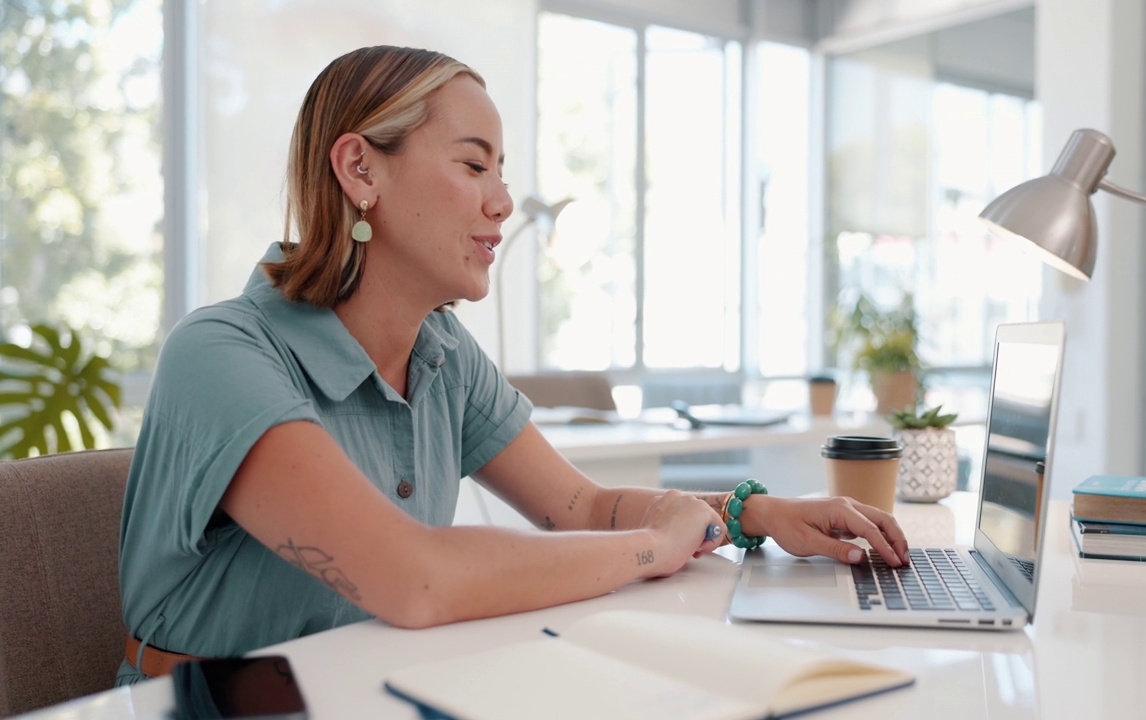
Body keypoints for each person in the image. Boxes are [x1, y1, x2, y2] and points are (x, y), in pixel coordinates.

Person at [116, 45, 909, 685]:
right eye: (473, 165)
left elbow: (585, 508)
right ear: (360, 171)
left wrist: (749, 515)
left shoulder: (442, 353)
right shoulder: (220, 353)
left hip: (377, 689)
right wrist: (654, 549)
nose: (501, 201)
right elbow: (415, 579)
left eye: (503, 170)